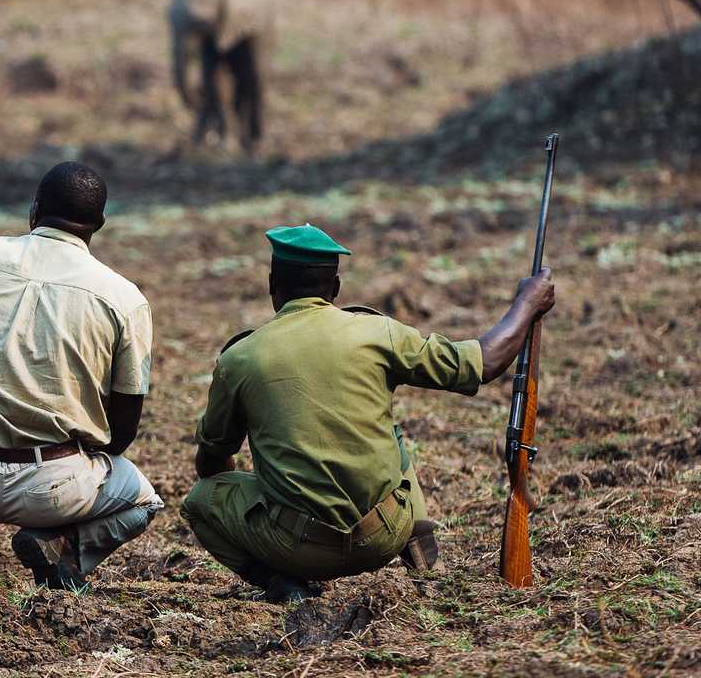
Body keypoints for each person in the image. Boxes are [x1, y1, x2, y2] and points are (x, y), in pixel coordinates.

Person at [182, 223, 557, 602]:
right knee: (388, 431)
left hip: (296, 549)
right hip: (384, 536)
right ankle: (422, 555)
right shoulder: (378, 333)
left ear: (272, 286)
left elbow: (211, 465)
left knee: (199, 501)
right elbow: (484, 362)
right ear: (335, 287)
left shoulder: (239, 359)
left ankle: (283, 586)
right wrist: (528, 303)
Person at [0, 162, 164, 596]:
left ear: (34, 209)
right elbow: (124, 430)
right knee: (146, 501)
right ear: (99, 223)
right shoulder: (125, 299)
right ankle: (64, 544)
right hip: (58, 490)